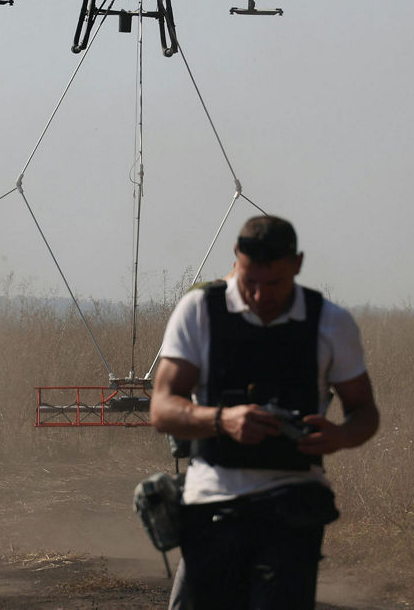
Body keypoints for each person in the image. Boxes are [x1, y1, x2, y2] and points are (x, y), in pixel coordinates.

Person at [150, 215, 380, 609]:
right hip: (212, 501)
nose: (259, 296)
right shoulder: (199, 312)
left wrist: (339, 436)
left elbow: (365, 412)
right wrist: (223, 421)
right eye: (248, 281)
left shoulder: (330, 323)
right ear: (236, 260)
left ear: (297, 264)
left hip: (294, 504)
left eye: (273, 284)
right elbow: (162, 408)